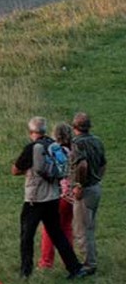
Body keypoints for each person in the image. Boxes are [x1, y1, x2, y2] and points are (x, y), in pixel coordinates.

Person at [11, 116, 87, 279]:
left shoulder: (32, 147)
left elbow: (15, 170)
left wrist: (28, 171)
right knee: (57, 233)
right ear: (44, 130)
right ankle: (75, 268)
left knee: (27, 236)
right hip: (53, 197)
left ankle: (25, 272)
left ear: (31, 132)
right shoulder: (53, 145)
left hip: (35, 199)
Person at [71, 112, 107, 275]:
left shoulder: (76, 143)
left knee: (82, 230)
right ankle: (92, 258)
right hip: (95, 187)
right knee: (90, 227)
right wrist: (97, 179)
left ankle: (88, 265)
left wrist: (79, 185)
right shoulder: (97, 141)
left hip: (85, 191)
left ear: (74, 127)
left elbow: (82, 165)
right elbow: (103, 164)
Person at [39, 122, 74, 269]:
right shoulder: (74, 151)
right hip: (72, 195)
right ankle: (70, 260)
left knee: (49, 228)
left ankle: (46, 262)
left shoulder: (53, 150)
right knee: (66, 227)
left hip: (56, 194)